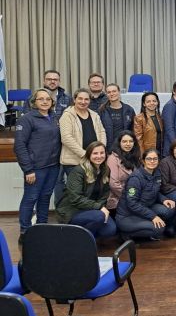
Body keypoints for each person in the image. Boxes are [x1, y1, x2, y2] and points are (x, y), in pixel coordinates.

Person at [14, 89, 62, 234]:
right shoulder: (27, 119)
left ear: (52, 102)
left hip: (53, 166)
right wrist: (28, 169)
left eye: (48, 99)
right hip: (35, 168)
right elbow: (19, 145)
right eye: (41, 99)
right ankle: (25, 230)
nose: (45, 101)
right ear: (34, 102)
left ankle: (42, 227)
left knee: (45, 196)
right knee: (31, 198)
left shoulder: (54, 117)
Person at [55, 141, 116, 239]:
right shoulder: (78, 171)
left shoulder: (106, 170)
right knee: (99, 217)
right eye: (95, 153)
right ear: (88, 155)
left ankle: (79, 235)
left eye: (102, 153)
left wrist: (99, 207)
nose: (99, 156)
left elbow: (105, 194)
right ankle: (83, 242)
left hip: (93, 210)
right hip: (73, 211)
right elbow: (76, 198)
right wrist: (99, 207)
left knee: (110, 230)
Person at [56, 88, 107, 202]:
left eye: (86, 99)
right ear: (74, 99)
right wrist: (85, 155)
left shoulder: (94, 115)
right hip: (74, 162)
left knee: (91, 191)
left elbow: (102, 132)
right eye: (80, 99)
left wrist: (100, 151)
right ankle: (75, 217)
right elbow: (66, 138)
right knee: (77, 193)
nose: (83, 102)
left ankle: (89, 216)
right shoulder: (67, 115)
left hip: (94, 160)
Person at [116, 148, 176, 240]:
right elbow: (132, 204)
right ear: (143, 161)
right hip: (128, 215)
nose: (152, 161)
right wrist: (153, 216)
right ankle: (126, 234)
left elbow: (154, 191)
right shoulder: (136, 178)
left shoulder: (156, 173)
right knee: (159, 229)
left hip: (145, 208)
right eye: (149, 159)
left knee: (169, 209)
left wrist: (164, 199)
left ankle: (145, 226)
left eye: (155, 159)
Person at [106, 131, 141, 215]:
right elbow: (113, 184)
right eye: (124, 141)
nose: (128, 144)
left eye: (131, 141)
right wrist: (130, 197)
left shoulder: (135, 156)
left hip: (134, 196)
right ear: (119, 143)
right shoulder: (113, 158)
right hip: (118, 199)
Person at [99, 83, 136, 148]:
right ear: (106, 95)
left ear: (119, 92)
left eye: (114, 91)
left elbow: (134, 129)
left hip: (125, 147)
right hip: (108, 147)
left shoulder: (129, 109)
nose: (112, 94)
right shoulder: (102, 111)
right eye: (109, 92)